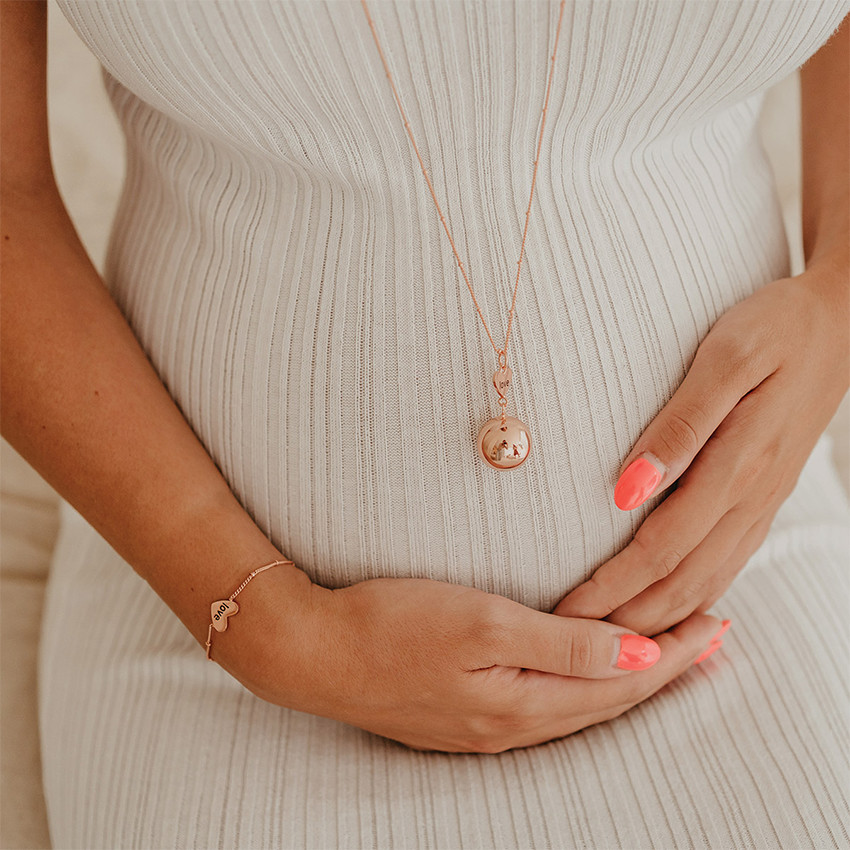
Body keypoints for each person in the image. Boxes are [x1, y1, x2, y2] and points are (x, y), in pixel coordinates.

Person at [2, 0, 848, 847]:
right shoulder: (233, 618)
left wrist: (839, 296)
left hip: (732, 560)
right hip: (210, 603)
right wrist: (263, 627)